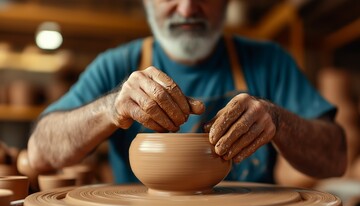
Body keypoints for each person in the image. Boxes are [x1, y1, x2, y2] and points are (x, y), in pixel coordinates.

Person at [27, 0, 346, 184]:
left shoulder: (268, 62)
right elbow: (40, 152)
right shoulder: (117, 64)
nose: (188, 7)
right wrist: (111, 108)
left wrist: (278, 120)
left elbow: (336, 158)